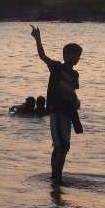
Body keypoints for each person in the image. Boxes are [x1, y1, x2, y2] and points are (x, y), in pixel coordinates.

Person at [30, 26, 82, 182]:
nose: (78, 59)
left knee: (61, 146)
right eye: (76, 56)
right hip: (58, 112)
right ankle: (56, 178)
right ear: (67, 55)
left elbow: (71, 91)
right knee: (61, 146)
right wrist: (38, 39)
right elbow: (42, 56)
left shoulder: (74, 74)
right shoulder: (57, 67)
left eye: (79, 56)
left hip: (68, 113)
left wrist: (76, 101)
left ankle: (56, 177)